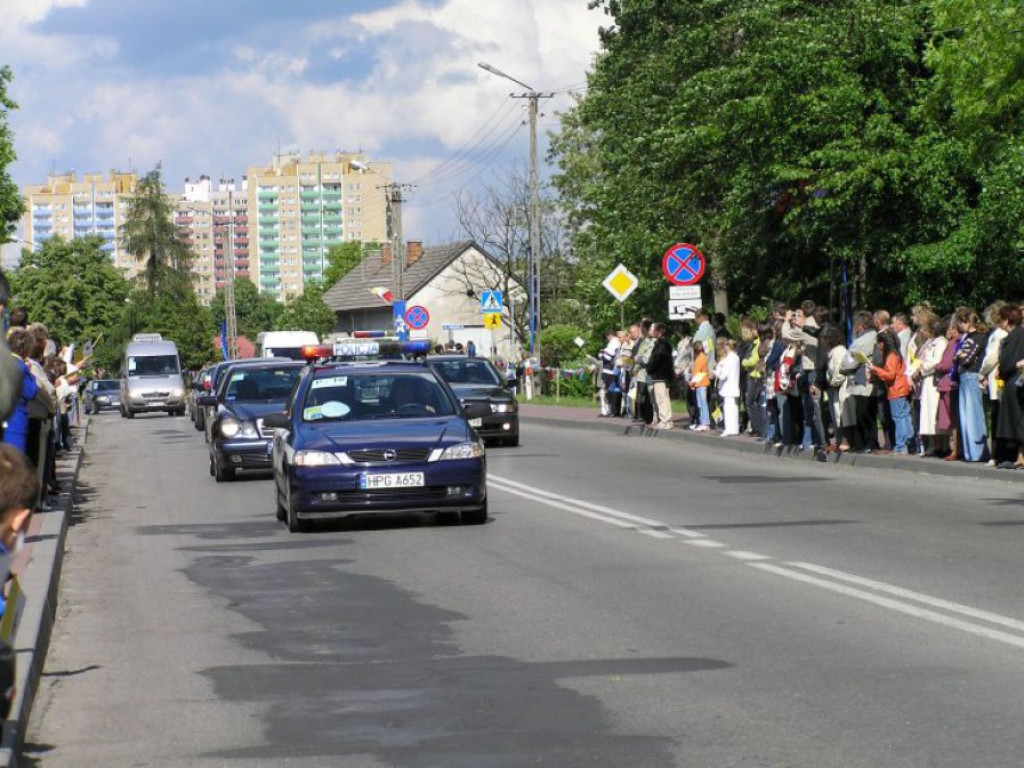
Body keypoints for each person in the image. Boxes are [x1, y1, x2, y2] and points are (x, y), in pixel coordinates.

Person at [868, 330, 913, 454]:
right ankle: (909, 443)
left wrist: (875, 369)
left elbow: (890, 375)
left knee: (898, 417)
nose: (878, 345)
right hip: (902, 388)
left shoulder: (891, 356)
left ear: (884, 343)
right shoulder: (896, 354)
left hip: (896, 389)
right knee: (904, 416)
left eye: (879, 342)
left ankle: (900, 446)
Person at [954, 307, 989, 462]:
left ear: (968, 322)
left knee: (974, 415)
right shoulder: (966, 337)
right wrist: (960, 356)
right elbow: (958, 356)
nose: (959, 326)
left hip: (972, 376)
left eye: (961, 322)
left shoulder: (980, 337)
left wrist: (960, 356)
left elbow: (967, 358)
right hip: (963, 376)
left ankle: (978, 452)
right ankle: (969, 453)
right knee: (964, 416)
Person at [995, 304, 1024, 468]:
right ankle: (1019, 456)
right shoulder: (1019, 334)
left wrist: (1001, 370)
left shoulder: (1014, 337)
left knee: (1017, 420)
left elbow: (1007, 362)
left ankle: (1020, 457)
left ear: (1007, 320)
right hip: (1017, 380)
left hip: (1015, 381)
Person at [646, 323, 675, 430]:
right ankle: (668, 420)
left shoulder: (661, 344)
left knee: (661, 398)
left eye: (654, 330)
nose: (652, 332)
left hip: (660, 375)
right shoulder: (665, 344)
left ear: (658, 332)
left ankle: (665, 421)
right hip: (664, 375)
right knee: (664, 398)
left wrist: (649, 367)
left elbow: (655, 359)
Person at [714, 338, 741, 436]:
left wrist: (715, 371)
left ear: (728, 347)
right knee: (733, 408)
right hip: (734, 386)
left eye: (726, 345)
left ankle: (729, 428)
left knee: (728, 408)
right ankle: (734, 428)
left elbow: (723, 375)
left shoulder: (729, 359)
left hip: (728, 387)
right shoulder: (736, 357)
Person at [689, 340, 711, 431]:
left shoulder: (699, 359)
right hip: (701, 383)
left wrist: (692, 383)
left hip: (701, 383)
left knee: (702, 403)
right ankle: (702, 422)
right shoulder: (702, 357)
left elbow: (697, 374)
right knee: (701, 403)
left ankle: (705, 423)